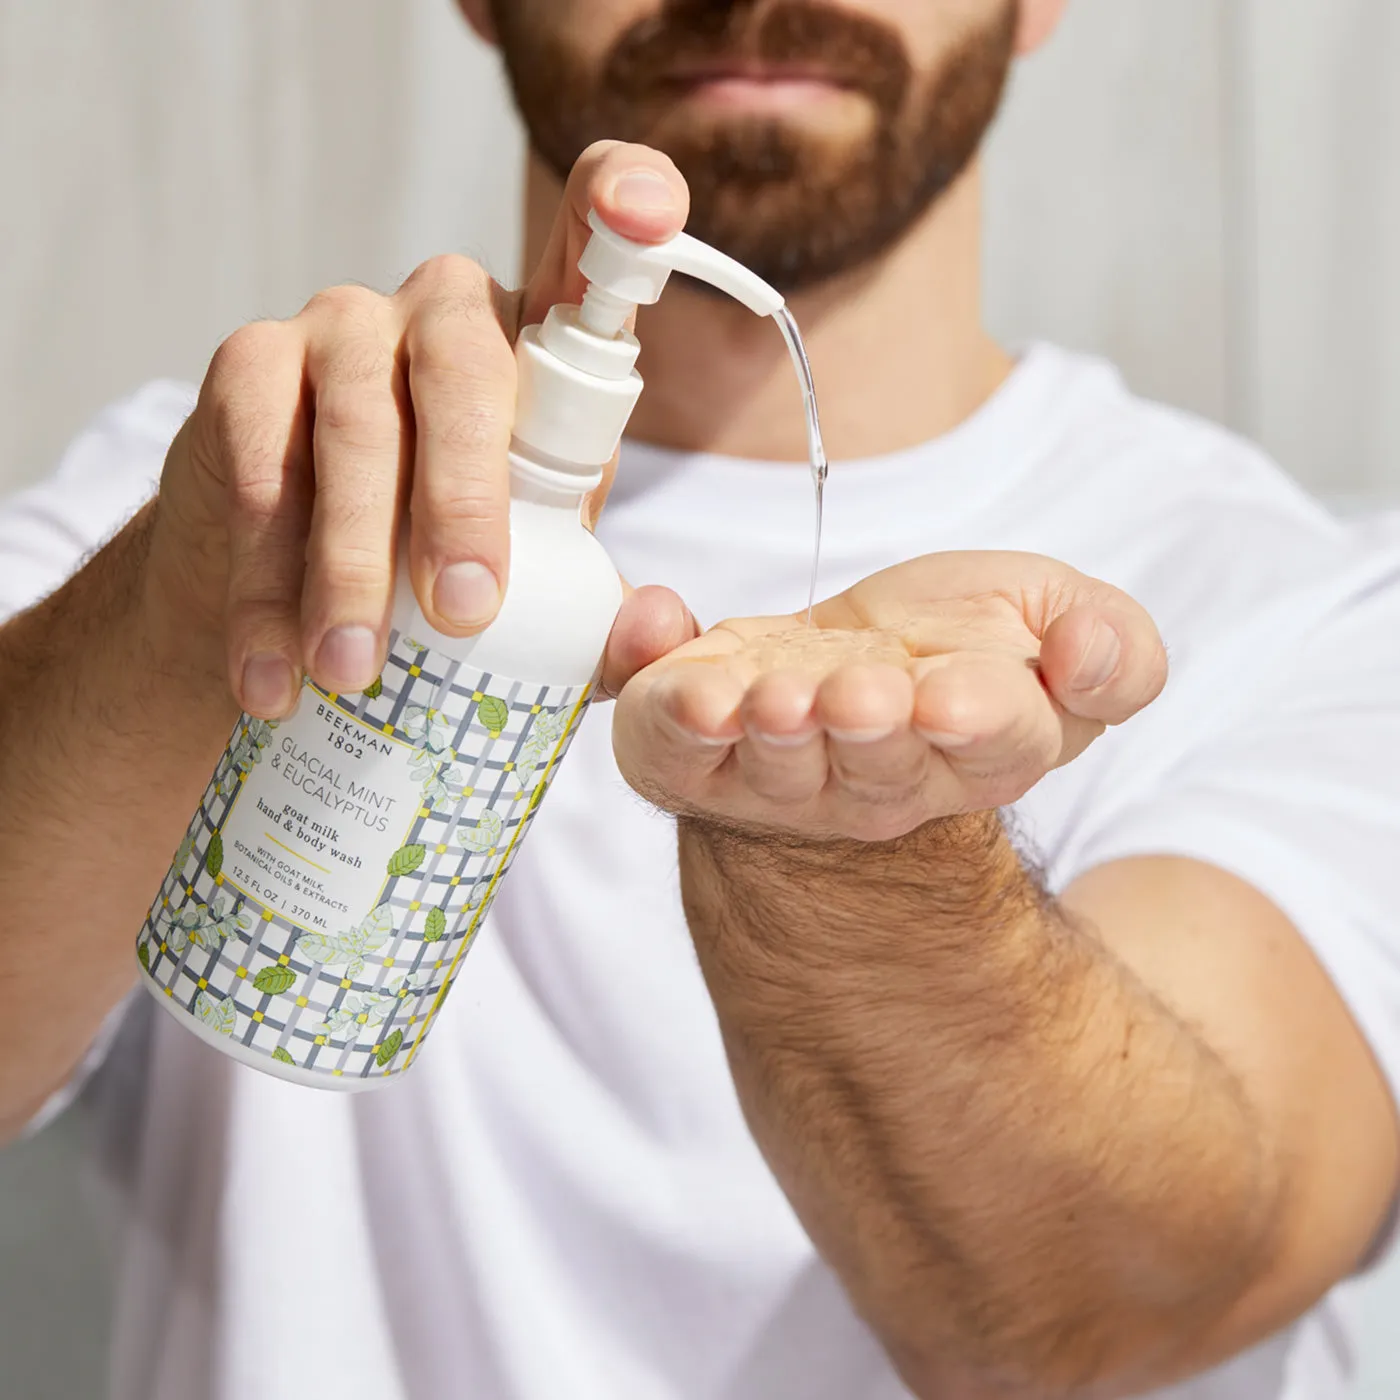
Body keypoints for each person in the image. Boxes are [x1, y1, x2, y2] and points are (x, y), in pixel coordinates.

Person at [2, 1, 1399, 1396]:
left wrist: (860, 853)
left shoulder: (1295, 608)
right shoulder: (210, 499)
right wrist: (189, 604)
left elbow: (1110, 1312)